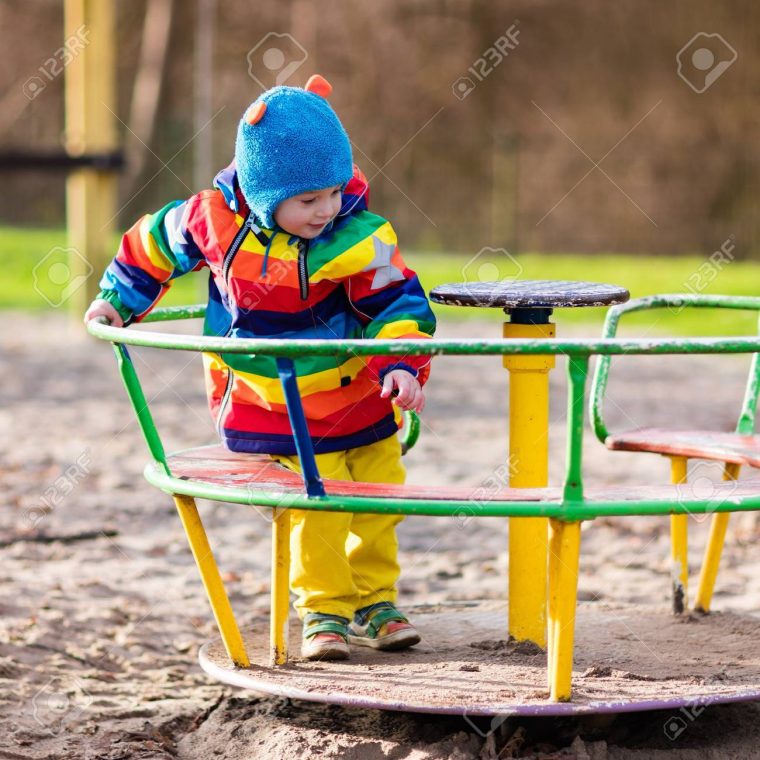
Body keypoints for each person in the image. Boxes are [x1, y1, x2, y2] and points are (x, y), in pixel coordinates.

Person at [84, 74, 436, 661]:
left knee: (379, 494)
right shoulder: (212, 223)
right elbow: (150, 245)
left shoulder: (353, 234)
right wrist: (117, 298)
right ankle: (324, 608)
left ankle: (376, 600)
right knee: (318, 498)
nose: (326, 209)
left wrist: (401, 363)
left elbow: (397, 299)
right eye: (308, 200)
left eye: (332, 191)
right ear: (261, 189)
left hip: (361, 393)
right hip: (277, 398)